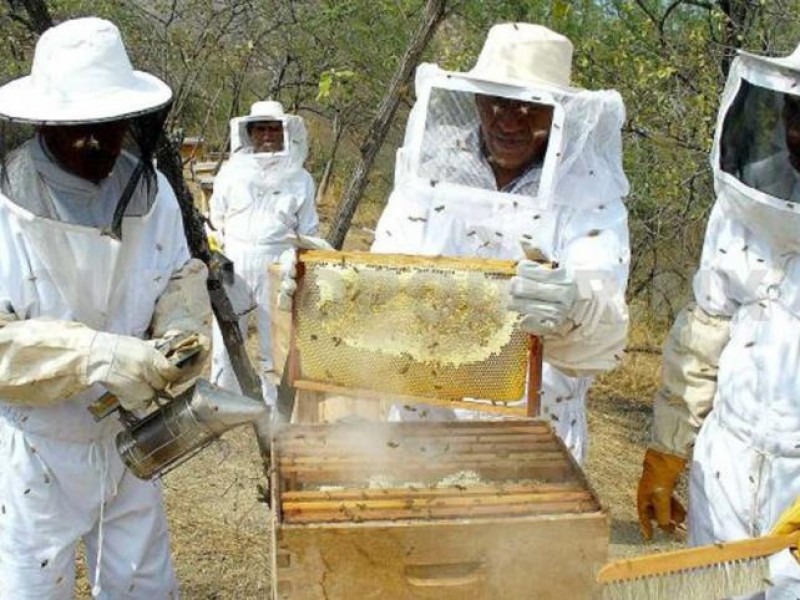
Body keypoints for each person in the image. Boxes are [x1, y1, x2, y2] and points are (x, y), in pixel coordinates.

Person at [0, 17, 211, 599]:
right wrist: (98, 354)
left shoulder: (154, 193)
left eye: (107, 123)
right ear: (45, 121)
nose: (95, 140)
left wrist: (181, 331)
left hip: (130, 443)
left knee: (146, 588)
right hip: (38, 453)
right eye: (77, 126)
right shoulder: (4, 208)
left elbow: (177, 276)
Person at [367, 22, 630, 463]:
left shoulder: (587, 194)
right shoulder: (430, 172)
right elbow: (381, 275)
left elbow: (604, 315)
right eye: (495, 101)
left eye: (529, 106)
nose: (508, 119)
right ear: (475, 99)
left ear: (558, 110)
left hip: (531, 434)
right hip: (420, 424)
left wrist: (574, 301)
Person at [636, 42, 800, 597]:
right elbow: (703, 333)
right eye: (798, 113)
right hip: (725, 464)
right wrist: (668, 448)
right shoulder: (746, 201)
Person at [209, 100, 319, 405]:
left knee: (276, 345)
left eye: (274, 128)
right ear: (250, 133)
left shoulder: (301, 179)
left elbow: (309, 230)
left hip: (279, 265)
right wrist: (219, 257)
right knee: (226, 339)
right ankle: (221, 403)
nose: (268, 134)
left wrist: (296, 267)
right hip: (235, 264)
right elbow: (215, 220)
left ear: (285, 132)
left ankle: (275, 412)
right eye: (261, 128)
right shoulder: (230, 173)